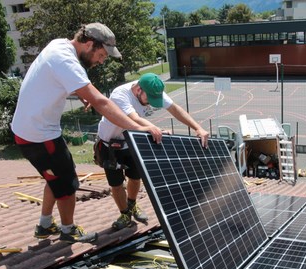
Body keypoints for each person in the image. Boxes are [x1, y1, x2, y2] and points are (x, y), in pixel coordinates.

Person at [11, 23, 163, 243]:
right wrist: (139, 127)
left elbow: (59, 78)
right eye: (101, 55)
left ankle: (44, 225)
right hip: (40, 135)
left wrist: (80, 92)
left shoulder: (59, 46)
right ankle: (67, 230)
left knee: (54, 177)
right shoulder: (66, 60)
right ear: (89, 44)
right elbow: (101, 102)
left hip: (29, 130)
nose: (102, 60)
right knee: (67, 183)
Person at [93, 73, 209, 230]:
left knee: (135, 178)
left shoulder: (152, 87)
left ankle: (132, 204)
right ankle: (125, 213)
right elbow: (134, 119)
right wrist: (154, 129)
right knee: (117, 184)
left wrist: (198, 128)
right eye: (149, 100)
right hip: (110, 145)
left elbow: (175, 109)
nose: (150, 105)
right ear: (139, 89)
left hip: (131, 142)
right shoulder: (120, 95)